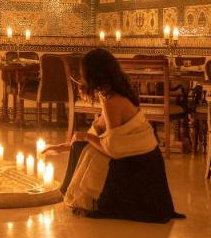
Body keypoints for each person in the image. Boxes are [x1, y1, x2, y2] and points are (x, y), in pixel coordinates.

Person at [43, 49, 183, 222]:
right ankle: (68, 192)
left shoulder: (113, 100)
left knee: (86, 148)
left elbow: (113, 148)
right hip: (138, 156)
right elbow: (99, 131)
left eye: (83, 74)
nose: (81, 78)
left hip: (142, 165)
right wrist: (63, 146)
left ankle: (77, 196)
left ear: (94, 74)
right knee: (80, 146)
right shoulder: (108, 93)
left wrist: (86, 138)